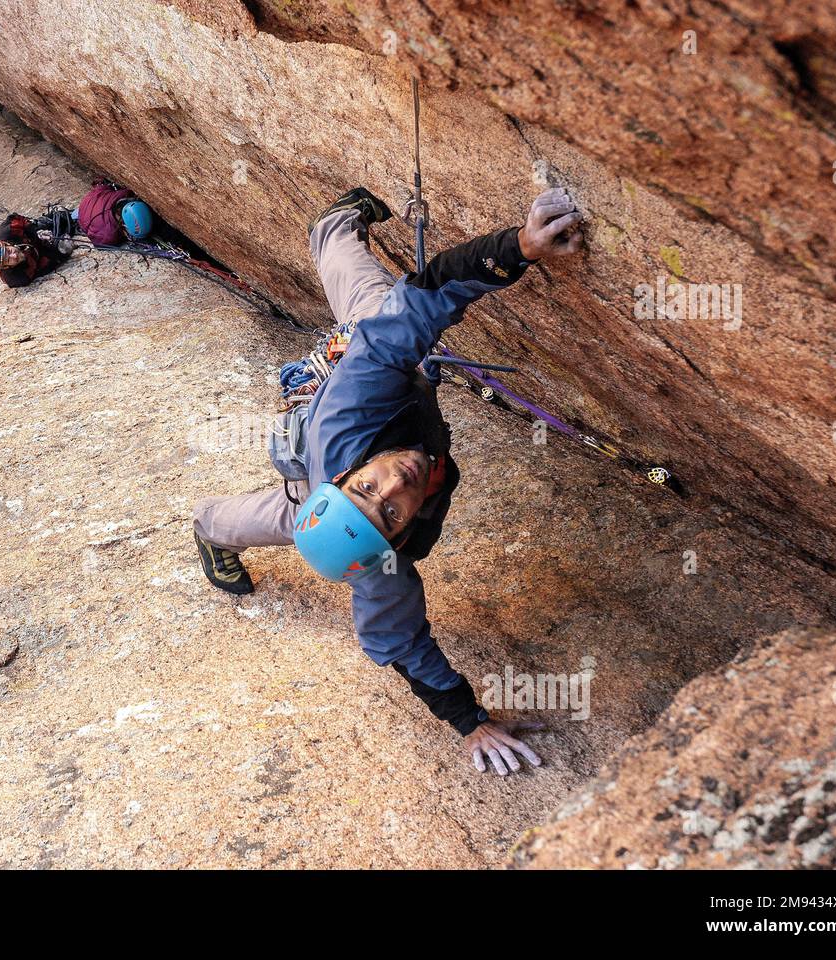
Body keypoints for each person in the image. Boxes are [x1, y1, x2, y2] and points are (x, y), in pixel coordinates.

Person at [192, 185, 584, 776]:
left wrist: (520, 247)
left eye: (369, 489)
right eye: (392, 513)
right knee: (293, 516)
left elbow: (423, 302)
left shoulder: (354, 410)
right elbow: (398, 641)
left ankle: (330, 229)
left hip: (350, 388)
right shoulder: (375, 561)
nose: (397, 484)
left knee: (375, 311)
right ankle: (207, 523)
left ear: (349, 474)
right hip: (314, 493)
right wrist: (468, 720)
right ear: (394, 547)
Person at [0, 212, 69, 288]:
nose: (14, 256)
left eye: (9, 251)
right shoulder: (16, 277)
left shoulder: (5, 233)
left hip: (31, 237)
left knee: (51, 221)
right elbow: (42, 268)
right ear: (6, 267)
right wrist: (60, 253)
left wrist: (36, 230)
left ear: (7, 244)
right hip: (37, 253)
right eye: (9, 260)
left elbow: (16, 218)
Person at [75, 179, 154, 246]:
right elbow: (96, 240)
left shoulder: (121, 195)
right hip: (84, 212)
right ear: (124, 225)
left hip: (86, 203)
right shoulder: (109, 235)